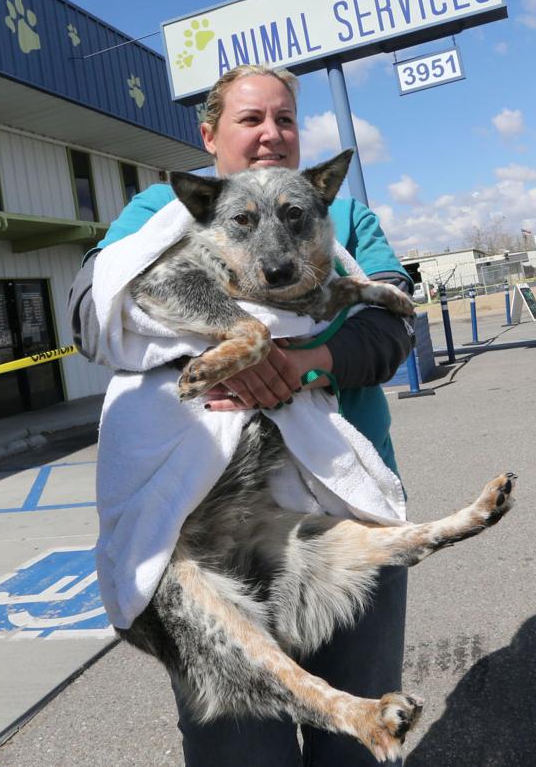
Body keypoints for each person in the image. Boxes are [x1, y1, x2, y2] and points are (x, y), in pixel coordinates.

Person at [67, 64, 413, 767]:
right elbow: (92, 307)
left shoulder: (344, 215)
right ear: (210, 134)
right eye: (250, 119)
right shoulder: (163, 212)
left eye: (284, 119)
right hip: (207, 525)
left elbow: (391, 330)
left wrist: (301, 367)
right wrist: (230, 337)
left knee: (357, 745)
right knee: (237, 750)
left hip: (345, 510)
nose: (270, 135)